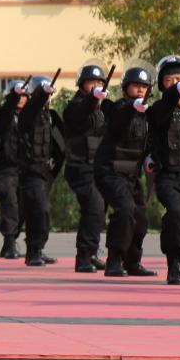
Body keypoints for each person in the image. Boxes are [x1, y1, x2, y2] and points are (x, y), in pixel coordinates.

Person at [94, 66, 155, 278]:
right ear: (125, 88)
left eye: (144, 86)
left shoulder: (148, 116)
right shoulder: (116, 107)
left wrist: (150, 158)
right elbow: (118, 121)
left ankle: (132, 262)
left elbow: (149, 145)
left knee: (141, 216)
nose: (140, 90)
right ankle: (114, 261)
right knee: (125, 209)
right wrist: (133, 108)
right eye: (136, 86)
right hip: (109, 170)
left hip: (131, 175)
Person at [146, 55, 180, 285]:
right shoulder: (158, 110)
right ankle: (174, 264)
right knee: (176, 214)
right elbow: (167, 105)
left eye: (178, 79)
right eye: (168, 80)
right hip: (170, 176)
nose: (174, 83)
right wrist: (174, 92)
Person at [63, 63, 111, 273]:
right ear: (82, 84)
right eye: (92, 82)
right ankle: (83, 256)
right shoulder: (75, 106)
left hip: (97, 167)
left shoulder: (100, 109)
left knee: (98, 211)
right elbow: (81, 114)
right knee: (94, 206)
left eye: (100, 82)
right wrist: (93, 99)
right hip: (80, 167)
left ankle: (91, 252)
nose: (96, 86)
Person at [17, 74, 64, 267]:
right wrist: (40, 95)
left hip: (44, 172)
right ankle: (32, 252)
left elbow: (58, 143)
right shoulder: (28, 113)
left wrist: (54, 162)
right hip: (30, 171)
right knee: (37, 209)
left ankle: (38, 249)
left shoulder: (49, 116)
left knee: (42, 211)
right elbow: (33, 106)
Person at [0, 80, 27, 259]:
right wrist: (14, 96)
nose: (21, 99)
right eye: (17, 96)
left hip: (25, 168)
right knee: (10, 203)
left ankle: (18, 242)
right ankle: (9, 242)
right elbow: (7, 110)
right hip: (4, 169)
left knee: (25, 206)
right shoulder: (4, 115)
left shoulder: (31, 116)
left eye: (24, 96)